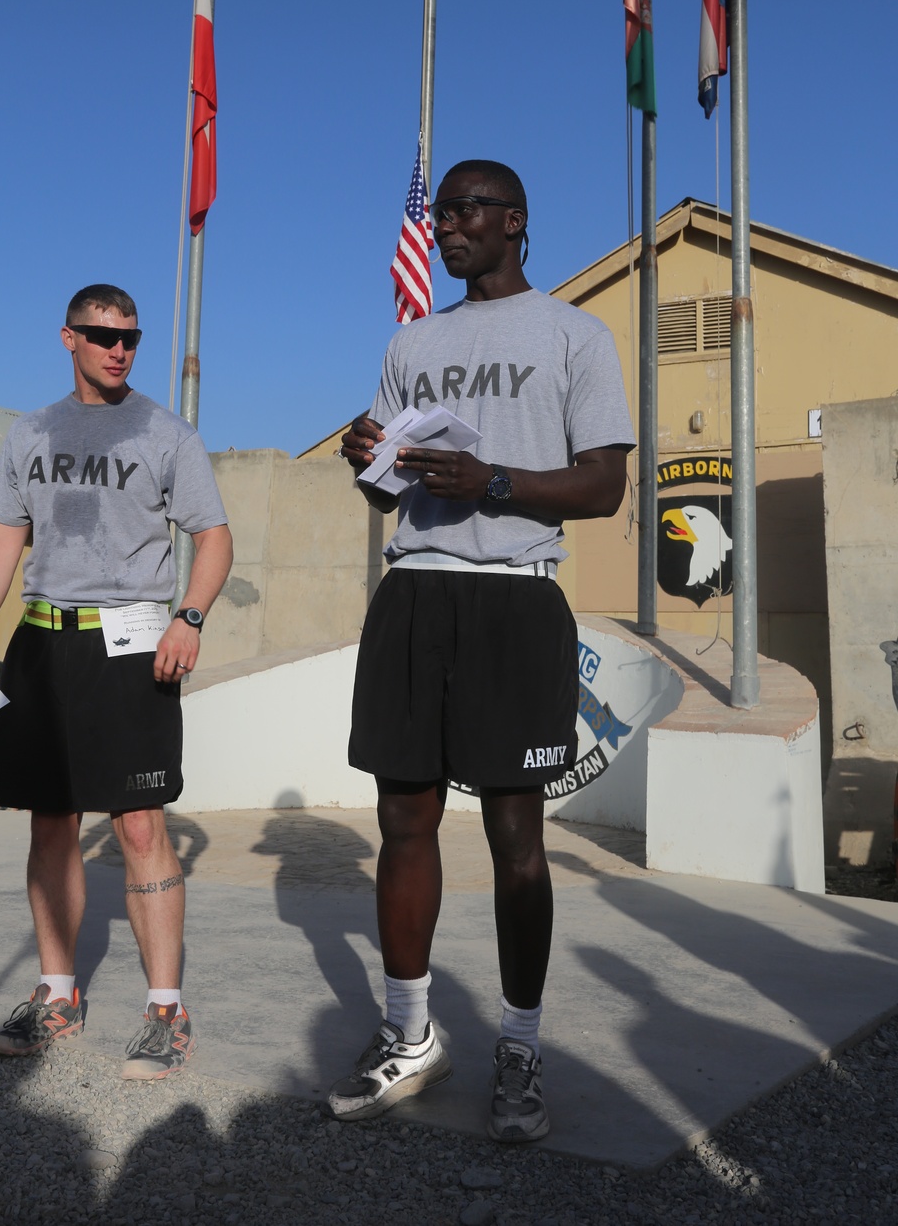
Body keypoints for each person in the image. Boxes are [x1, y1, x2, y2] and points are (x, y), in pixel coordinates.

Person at [329, 161, 635, 1141]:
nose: (449, 226)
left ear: (513, 221)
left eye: (466, 211)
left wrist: (491, 481)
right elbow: (390, 492)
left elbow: (600, 490)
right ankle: (410, 1034)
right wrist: (365, 458)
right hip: (415, 592)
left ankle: (518, 1045)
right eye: (442, 212)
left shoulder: (575, 334)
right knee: (403, 818)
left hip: (514, 601)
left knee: (516, 839)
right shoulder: (410, 339)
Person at [0, 284, 233, 1079]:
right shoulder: (29, 432)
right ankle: (57, 995)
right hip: (41, 644)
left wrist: (190, 618)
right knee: (50, 823)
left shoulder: (168, 433)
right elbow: (3, 539)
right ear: (68, 338)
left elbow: (213, 538)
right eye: (102, 336)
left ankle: (167, 1010)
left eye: (131, 337)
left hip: (133, 648)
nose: (119, 349)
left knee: (138, 827)